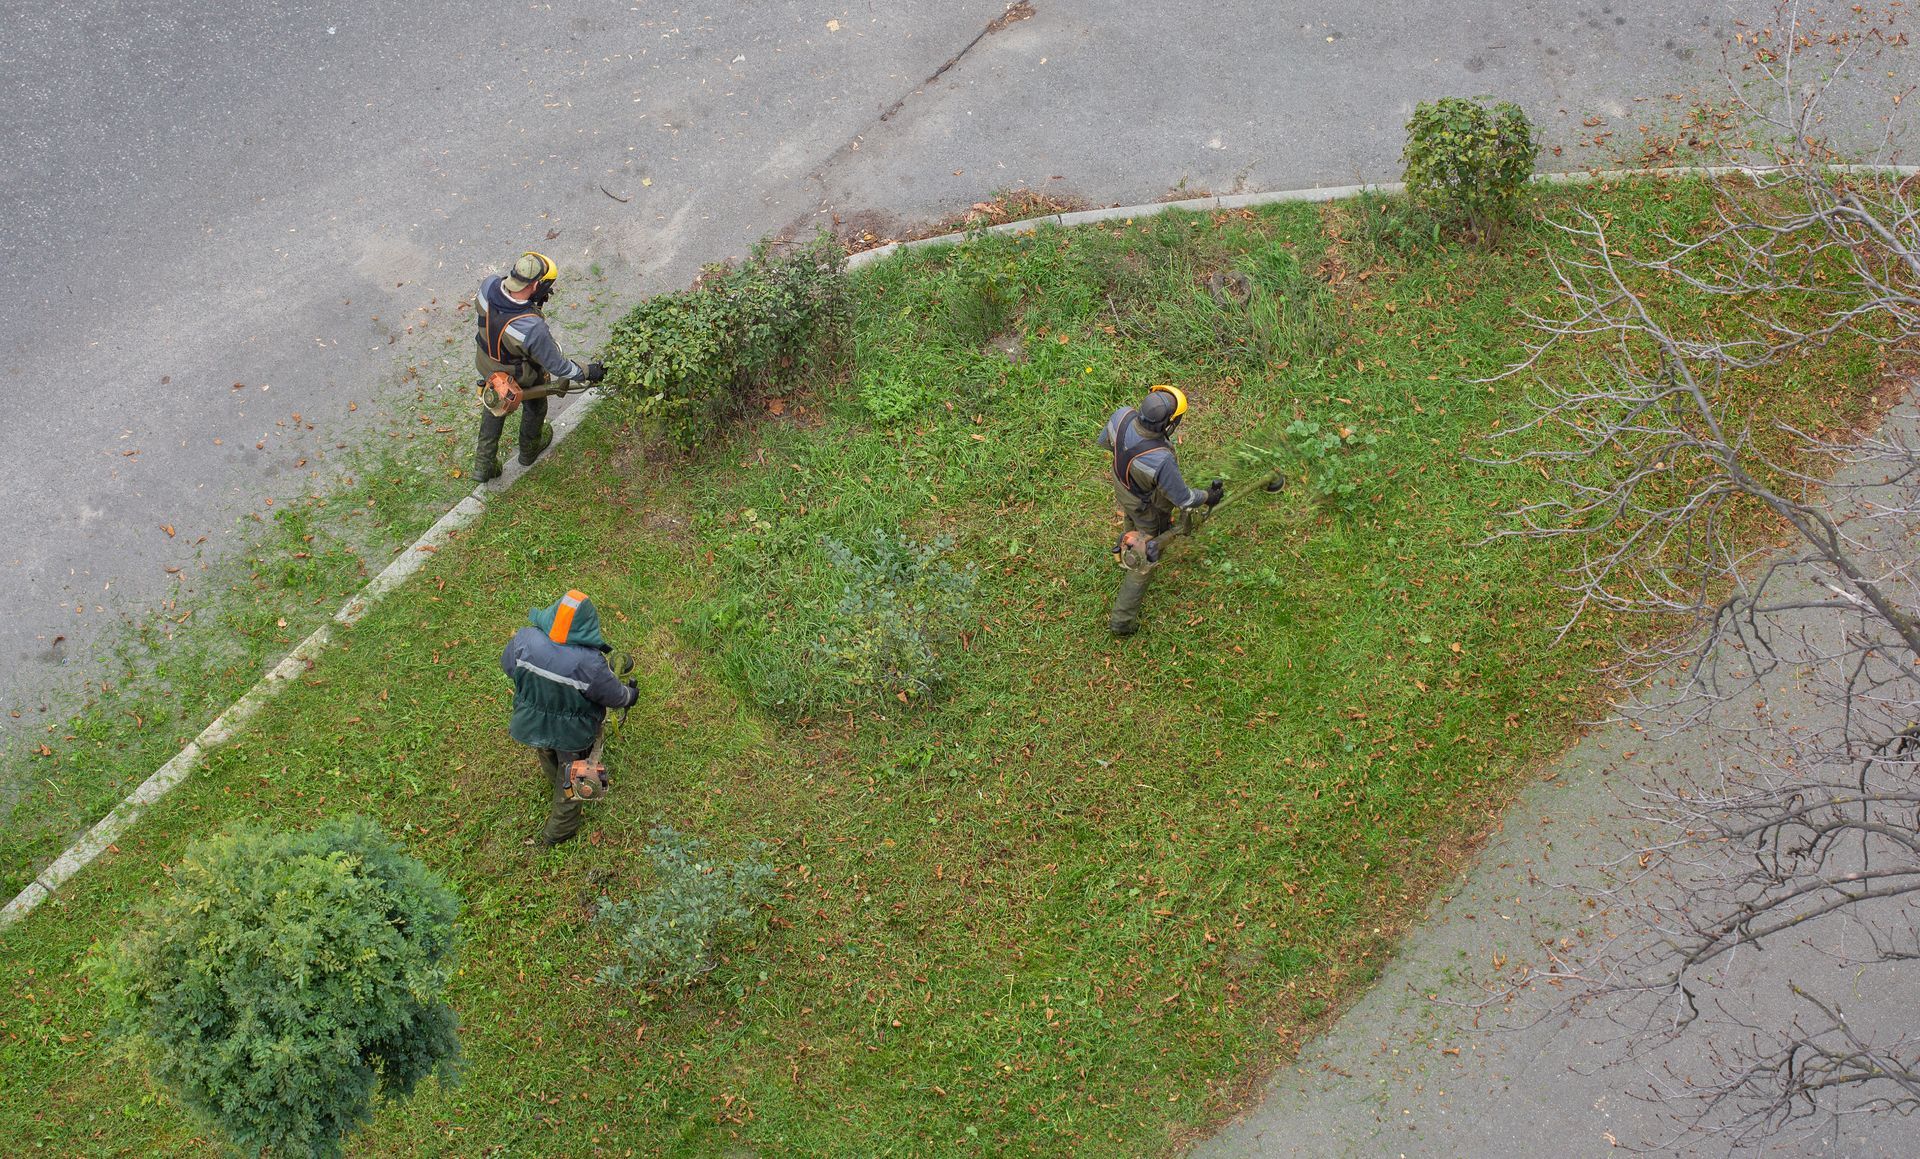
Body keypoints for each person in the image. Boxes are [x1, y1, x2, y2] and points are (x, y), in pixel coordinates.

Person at [499, 589, 638, 847]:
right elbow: (615, 697)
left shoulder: (524, 639)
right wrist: (631, 695)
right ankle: (559, 833)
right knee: (575, 776)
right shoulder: (589, 663)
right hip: (573, 734)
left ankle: (554, 778)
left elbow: (509, 667)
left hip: (531, 722)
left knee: (546, 749)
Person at [1097, 384, 1222, 636]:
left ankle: (1127, 538)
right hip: (1142, 503)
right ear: (1166, 424)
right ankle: (1121, 622)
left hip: (1124, 486)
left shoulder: (1121, 416)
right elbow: (1184, 499)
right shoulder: (1160, 459)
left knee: (1133, 518)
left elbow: (1105, 442)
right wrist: (1209, 496)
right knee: (1145, 554)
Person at [471, 251, 606, 482]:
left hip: (486, 363)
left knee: (494, 404)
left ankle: (483, 466)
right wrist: (587, 372)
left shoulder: (488, 286)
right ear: (535, 286)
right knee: (535, 406)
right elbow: (559, 366)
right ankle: (529, 450)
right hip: (518, 376)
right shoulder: (531, 327)